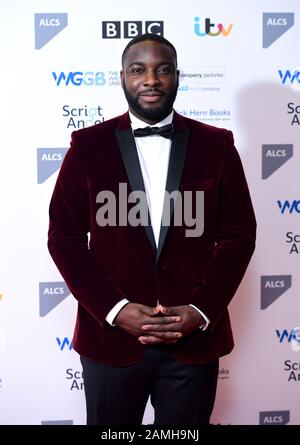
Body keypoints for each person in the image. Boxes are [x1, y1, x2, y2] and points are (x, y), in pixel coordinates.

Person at [48, 33, 256, 425]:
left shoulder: (218, 146)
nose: (151, 80)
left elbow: (239, 235)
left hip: (192, 343)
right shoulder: (88, 146)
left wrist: (200, 309)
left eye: (162, 70)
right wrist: (115, 309)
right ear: (122, 77)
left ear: (177, 76)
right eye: (138, 69)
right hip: (110, 340)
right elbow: (64, 236)